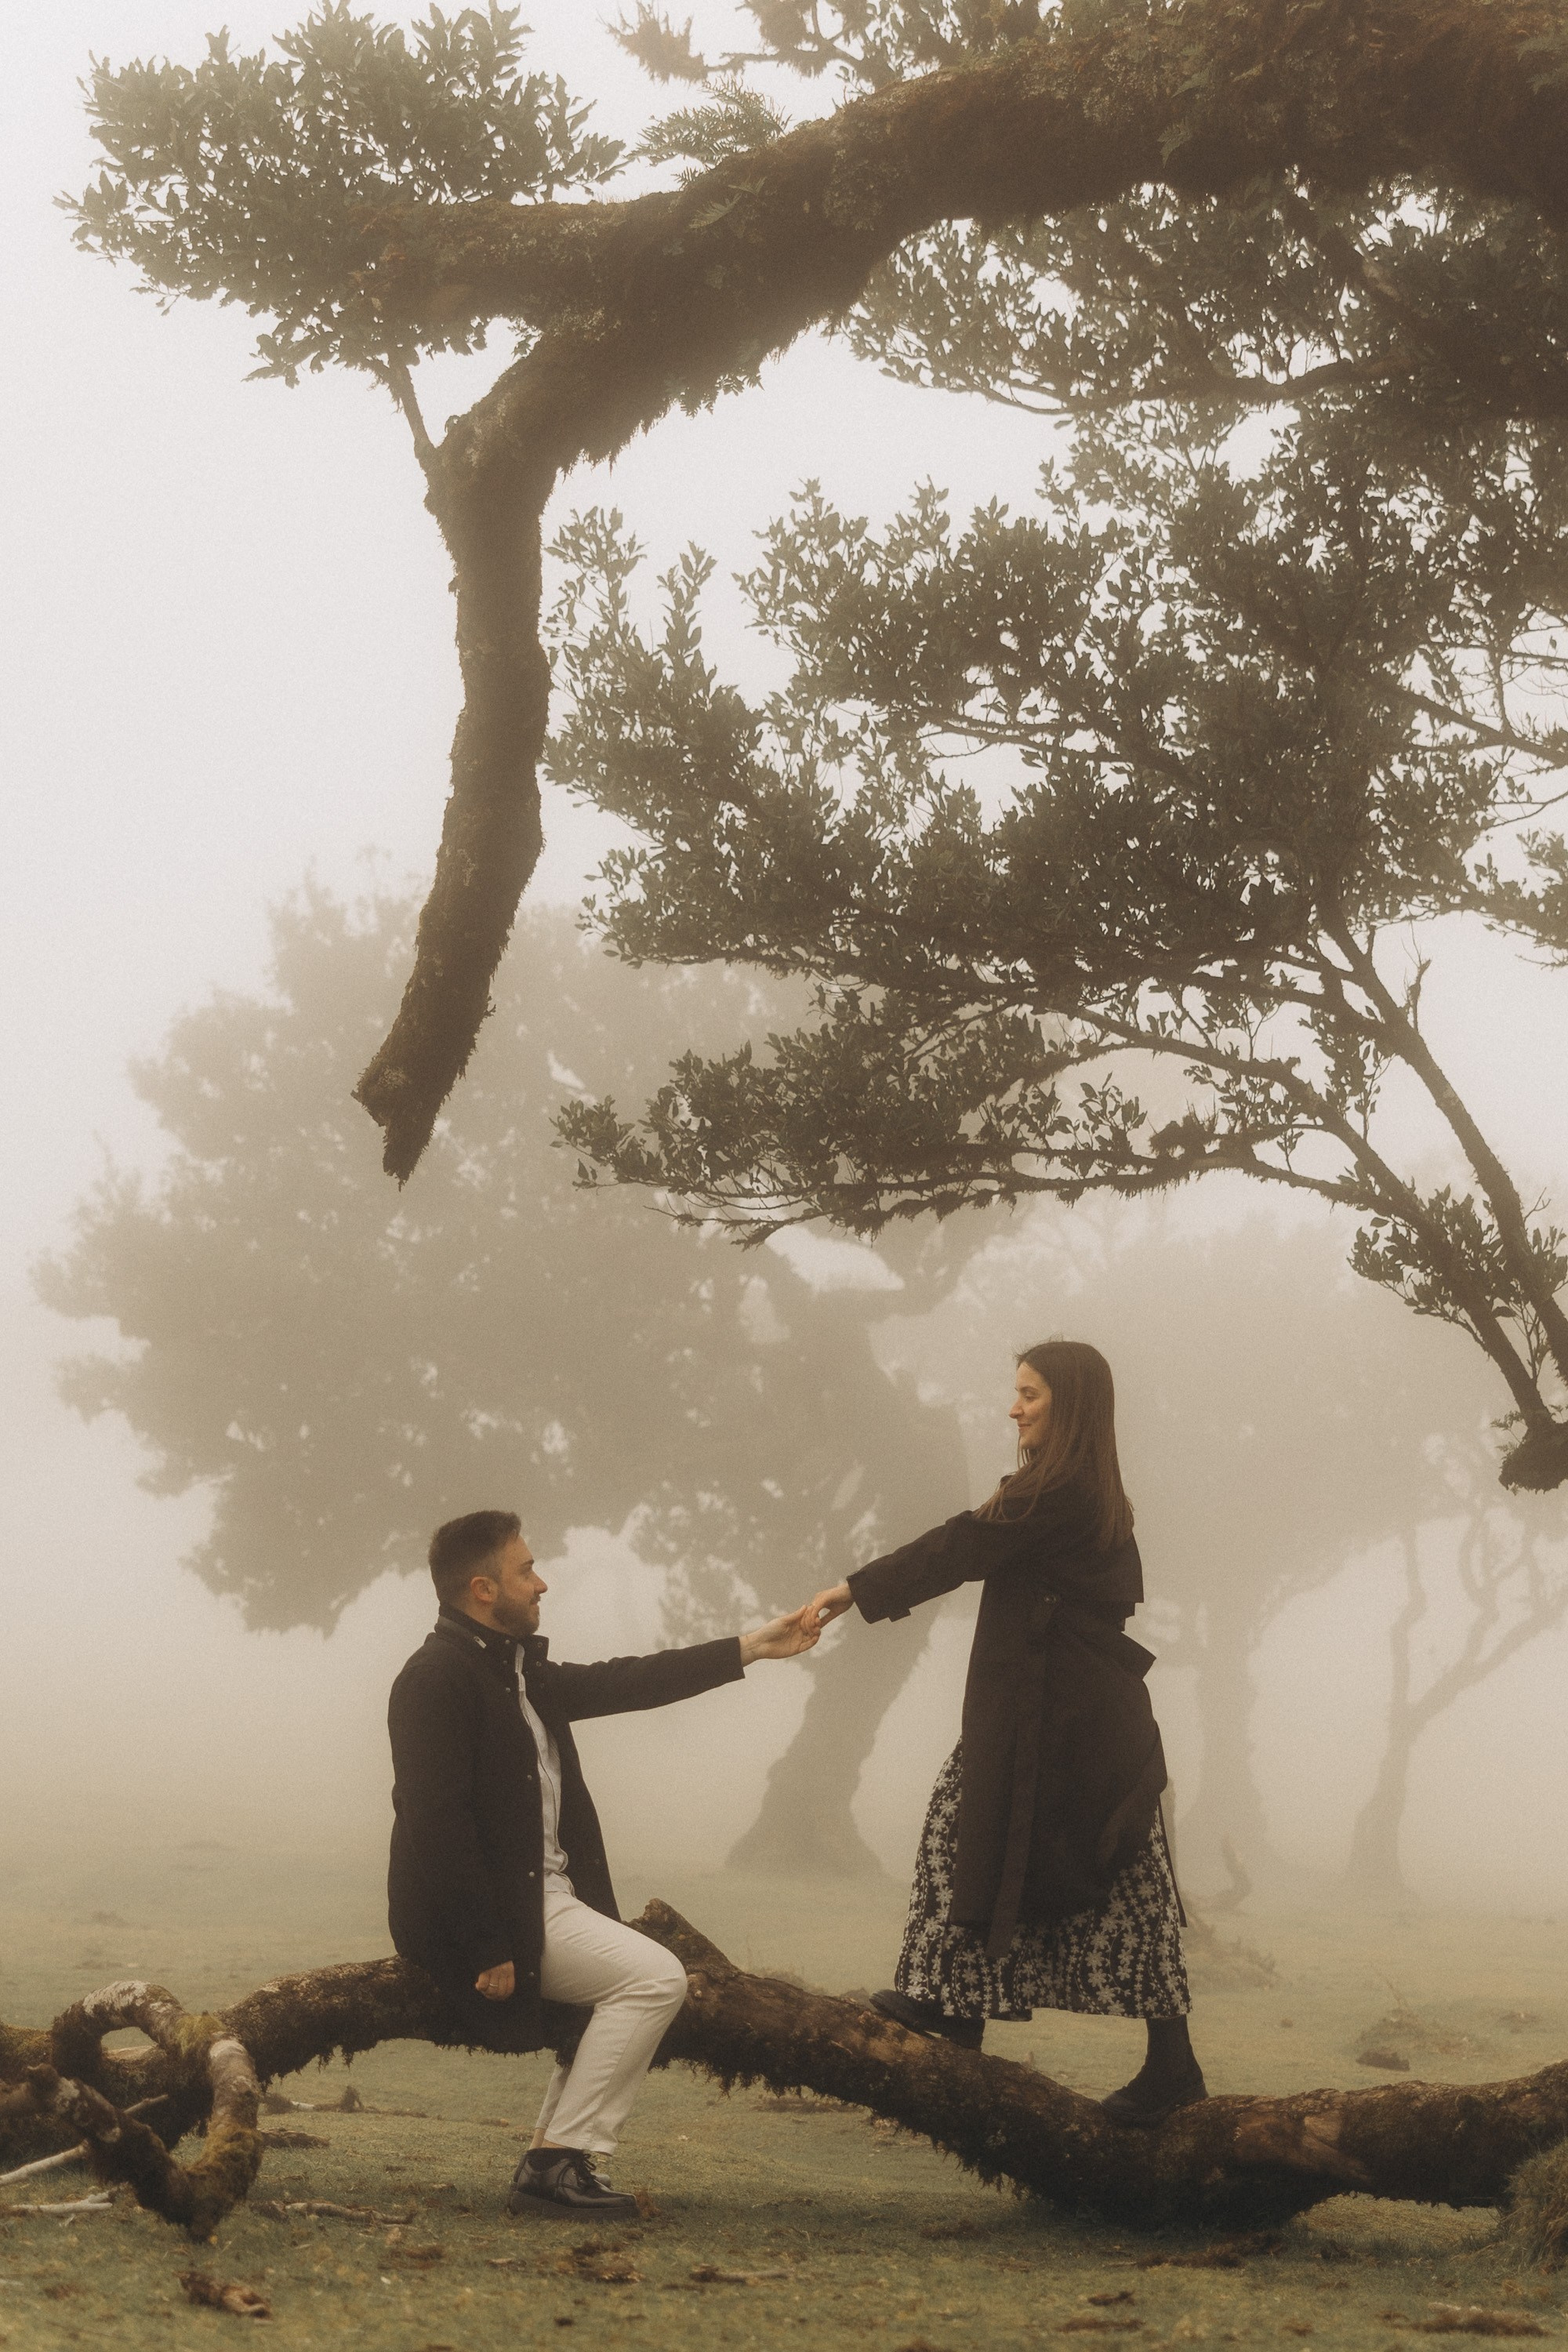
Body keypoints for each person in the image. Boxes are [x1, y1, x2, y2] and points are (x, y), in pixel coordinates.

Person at [800, 1340, 1206, 2127]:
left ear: (1070, 1407)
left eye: (1029, 1394)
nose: (1012, 1407)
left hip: (1073, 1722)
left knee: (1115, 1877)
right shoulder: (1057, 1489)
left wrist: (854, 1589)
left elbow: (959, 1546)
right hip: (1053, 1714)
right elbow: (973, 1543)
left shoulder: (1062, 1492)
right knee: (976, 1835)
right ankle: (956, 2006)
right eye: (1015, 1393)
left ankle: (1168, 2066)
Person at [388, 1508, 818, 2219]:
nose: (542, 1582)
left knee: (626, 1986)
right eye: (526, 1570)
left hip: (542, 1902)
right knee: (655, 1978)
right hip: (489, 1920)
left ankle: (552, 2155)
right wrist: (486, 1944)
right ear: (482, 1589)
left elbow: (631, 1681)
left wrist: (752, 1646)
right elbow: (437, 1825)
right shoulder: (434, 1679)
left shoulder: (517, 1673)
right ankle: (558, 2163)